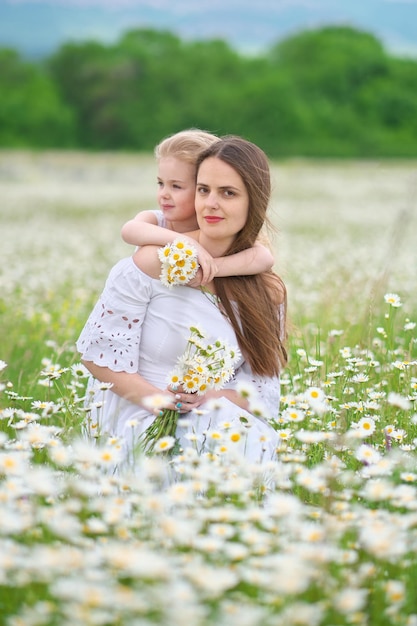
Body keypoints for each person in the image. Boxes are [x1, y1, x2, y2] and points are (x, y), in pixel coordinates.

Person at [76, 135, 287, 472]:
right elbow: (97, 356)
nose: (210, 204)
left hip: (217, 416)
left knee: (240, 447)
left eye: (228, 193)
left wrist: (210, 398)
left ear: (254, 202)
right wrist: (165, 404)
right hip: (139, 412)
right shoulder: (151, 264)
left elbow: (261, 391)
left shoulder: (265, 289)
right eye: (203, 190)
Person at [120, 128, 275, 285]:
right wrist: (187, 242)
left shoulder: (214, 230)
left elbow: (264, 257)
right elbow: (129, 230)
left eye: (176, 186)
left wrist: (211, 270)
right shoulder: (155, 220)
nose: (164, 194)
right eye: (160, 183)